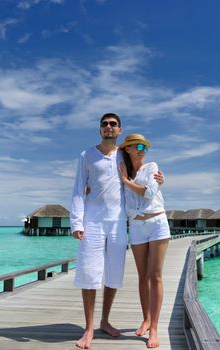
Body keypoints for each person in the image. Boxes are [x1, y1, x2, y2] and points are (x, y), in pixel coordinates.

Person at [70, 113, 163, 349]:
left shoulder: (125, 155)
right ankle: (89, 328)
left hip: (119, 222)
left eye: (113, 124)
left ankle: (105, 321)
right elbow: (79, 189)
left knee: (113, 273)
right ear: (100, 129)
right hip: (92, 222)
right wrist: (76, 223)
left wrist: (159, 179)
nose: (108, 127)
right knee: (90, 274)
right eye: (104, 124)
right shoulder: (86, 155)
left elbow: (143, 173)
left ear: (119, 130)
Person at [119, 134, 170, 349]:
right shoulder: (121, 169)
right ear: (128, 149)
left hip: (157, 222)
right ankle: (146, 319)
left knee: (155, 275)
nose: (142, 150)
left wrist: (126, 182)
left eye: (145, 147)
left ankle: (155, 328)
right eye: (138, 146)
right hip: (136, 227)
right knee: (142, 276)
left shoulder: (151, 167)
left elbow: (149, 193)